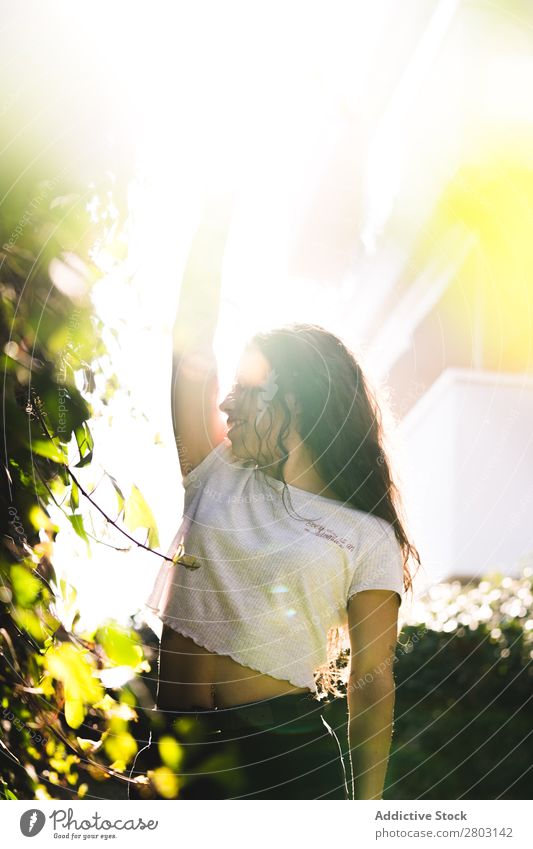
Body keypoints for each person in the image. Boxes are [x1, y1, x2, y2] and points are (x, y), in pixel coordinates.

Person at [132, 191, 420, 801]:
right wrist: (214, 218)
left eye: (245, 388)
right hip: (176, 749)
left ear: (294, 400)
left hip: (286, 760)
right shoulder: (217, 471)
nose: (226, 402)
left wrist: (365, 816)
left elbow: (371, 682)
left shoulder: (369, 537)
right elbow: (191, 347)